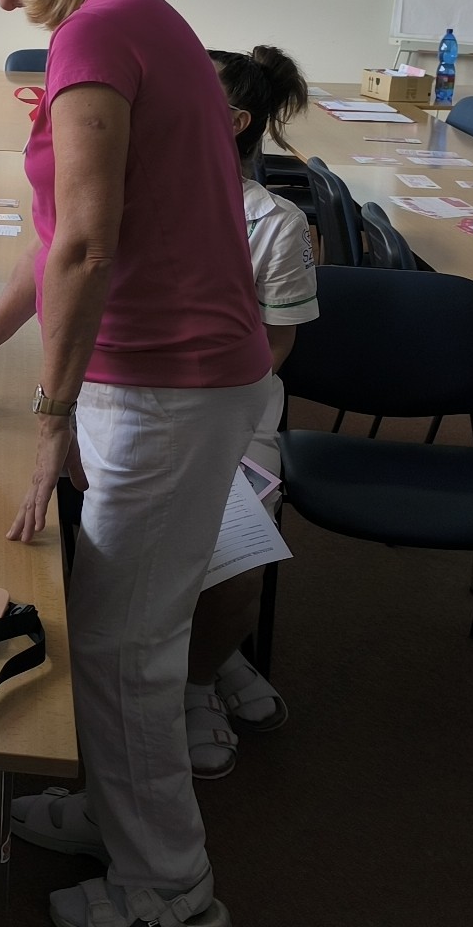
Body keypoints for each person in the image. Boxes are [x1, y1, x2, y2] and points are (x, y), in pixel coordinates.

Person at [0, 0, 271, 927]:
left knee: (122, 650)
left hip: (167, 383)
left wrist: (50, 421)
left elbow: (85, 246)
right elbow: (63, 232)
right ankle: (117, 814)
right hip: (172, 375)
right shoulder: (128, 18)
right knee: (119, 632)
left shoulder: (98, 33)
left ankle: (169, 892)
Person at [180, 46, 315, 779]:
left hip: (235, 412)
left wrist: (207, 407)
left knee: (235, 566)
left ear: (233, 121)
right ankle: (217, 655)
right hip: (142, 401)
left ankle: (199, 678)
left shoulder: (273, 222)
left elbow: (275, 342)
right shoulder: (140, 190)